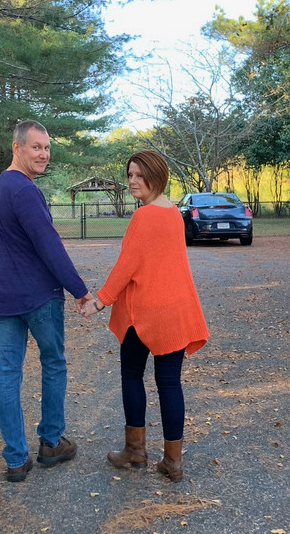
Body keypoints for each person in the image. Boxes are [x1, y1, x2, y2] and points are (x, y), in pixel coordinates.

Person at [81, 151, 207, 482]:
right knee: (170, 383)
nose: (133, 181)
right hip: (176, 311)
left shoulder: (144, 216)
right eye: (130, 175)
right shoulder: (174, 213)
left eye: (140, 175)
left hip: (145, 313)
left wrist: (100, 302)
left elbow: (127, 266)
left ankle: (135, 450)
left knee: (132, 375)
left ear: (156, 176)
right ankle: (173, 462)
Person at [0, 119, 92, 482]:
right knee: (53, 363)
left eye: (47, 148)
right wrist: (79, 289)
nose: (44, 154)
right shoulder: (25, 190)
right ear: (16, 148)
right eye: (36, 147)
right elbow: (49, 246)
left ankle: (16, 459)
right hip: (38, 298)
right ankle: (50, 442)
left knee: (8, 375)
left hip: (5, 297)